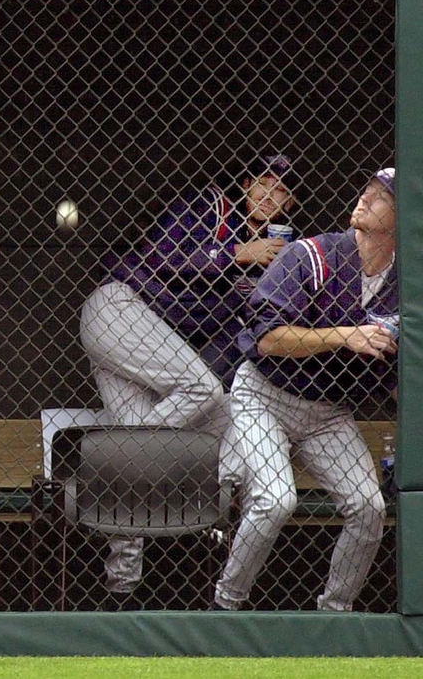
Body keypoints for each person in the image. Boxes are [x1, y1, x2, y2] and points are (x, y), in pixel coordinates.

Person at [79, 152, 300, 608]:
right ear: (245, 184)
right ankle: (138, 464)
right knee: (200, 389)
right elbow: (164, 252)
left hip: (148, 353)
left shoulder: (272, 265)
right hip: (119, 309)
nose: (268, 194)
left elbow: (233, 342)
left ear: (289, 205)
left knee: (213, 422)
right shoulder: (213, 205)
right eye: (262, 181)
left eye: (280, 190)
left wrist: (265, 273)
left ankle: (121, 587)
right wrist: (239, 253)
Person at [212, 167, 397, 612]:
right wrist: (345, 335)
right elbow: (265, 338)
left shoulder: (409, 280)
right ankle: (225, 605)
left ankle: (335, 612)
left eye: (382, 196)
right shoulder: (310, 254)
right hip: (264, 395)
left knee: (368, 508)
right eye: (366, 189)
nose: (366, 198)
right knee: (276, 501)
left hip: (328, 412)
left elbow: (400, 370)